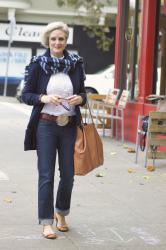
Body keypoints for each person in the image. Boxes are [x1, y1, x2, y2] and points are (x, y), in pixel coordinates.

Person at [22, 21, 87, 239]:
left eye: (61, 39)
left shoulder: (76, 64)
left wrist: (80, 98)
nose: (57, 42)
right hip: (46, 125)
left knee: (68, 175)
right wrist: (44, 97)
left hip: (68, 126)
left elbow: (83, 93)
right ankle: (46, 221)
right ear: (47, 41)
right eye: (53, 39)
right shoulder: (38, 64)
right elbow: (26, 94)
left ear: (66, 40)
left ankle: (61, 212)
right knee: (46, 175)